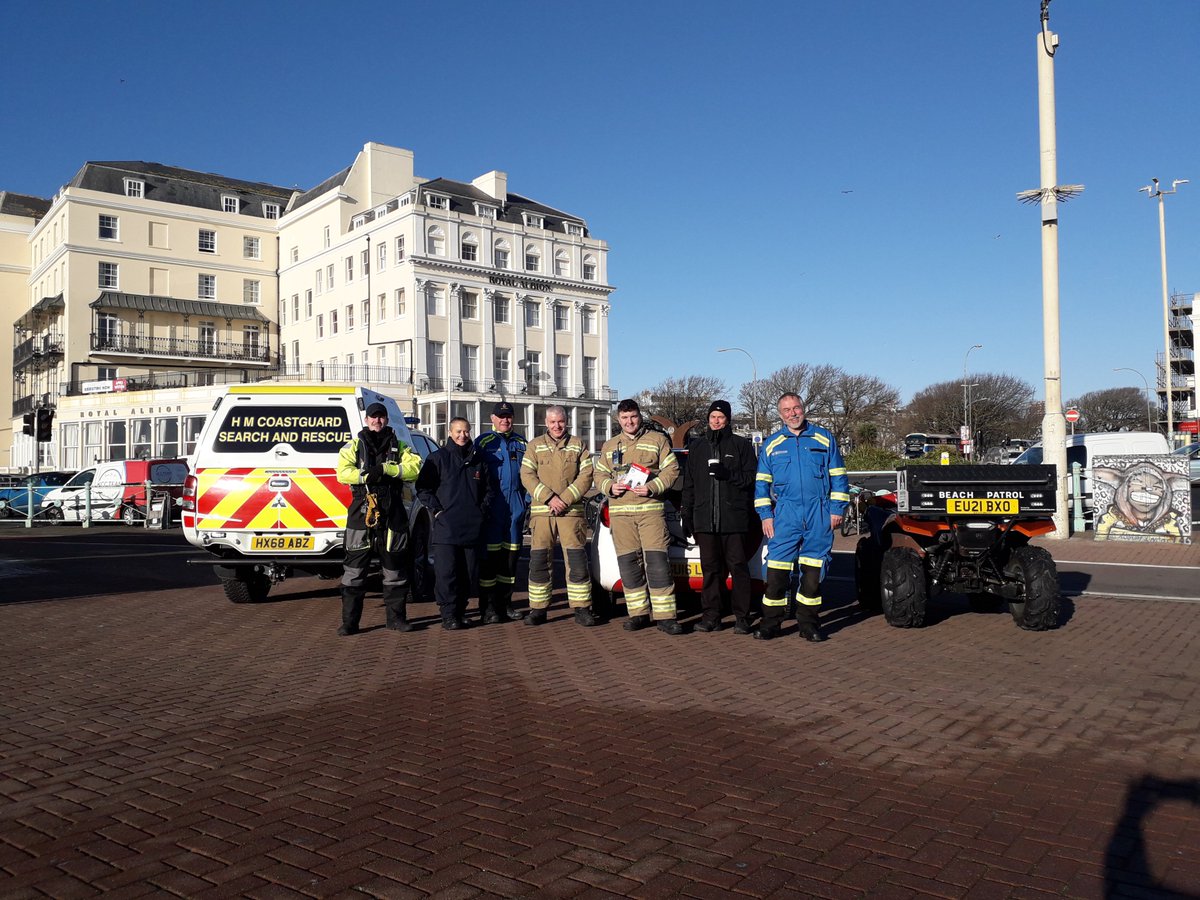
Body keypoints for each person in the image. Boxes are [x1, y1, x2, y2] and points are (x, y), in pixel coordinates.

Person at [754, 392, 849, 642]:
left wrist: (837, 510)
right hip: (785, 514)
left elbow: (839, 476)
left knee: (813, 574)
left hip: (819, 513)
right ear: (780, 414)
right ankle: (771, 623)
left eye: (796, 408)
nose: (792, 413)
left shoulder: (824, 438)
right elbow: (761, 484)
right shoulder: (772, 444)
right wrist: (766, 516)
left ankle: (808, 624)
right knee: (776, 572)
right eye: (786, 410)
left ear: (803, 409)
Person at [593, 398, 684, 635]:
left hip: (649, 512)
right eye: (624, 418)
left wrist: (653, 487)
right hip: (621, 515)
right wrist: (609, 487)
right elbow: (599, 473)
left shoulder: (657, 440)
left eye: (633, 416)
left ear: (639, 416)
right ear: (618, 420)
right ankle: (638, 614)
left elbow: (672, 469)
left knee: (657, 564)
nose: (629, 421)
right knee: (629, 566)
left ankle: (665, 617)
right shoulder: (610, 445)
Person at [335, 402, 424, 636]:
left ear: (386, 419)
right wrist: (366, 475)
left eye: (381, 417)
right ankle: (350, 623)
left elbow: (415, 468)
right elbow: (342, 473)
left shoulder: (400, 445)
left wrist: (386, 470)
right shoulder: (353, 446)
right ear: (366, 420)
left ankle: (396, 619)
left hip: (392, 510)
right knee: (354, 568)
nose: (377, 421)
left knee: (394, 567)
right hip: (361, 511)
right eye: (373, 417)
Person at [680, 399, 759, 634]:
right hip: (705, 519)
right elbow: (690, 484)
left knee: (738, 568)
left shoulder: (740, 446)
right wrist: (687, 512)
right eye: (713, 417)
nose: (716, 421)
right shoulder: (698, 447)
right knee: (711, 569)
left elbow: (751, 479)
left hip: (733, 519)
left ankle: (742, 618)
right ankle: (711, 616)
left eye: (721, 417)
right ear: (708, 419)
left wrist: (728, 474)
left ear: (728, 420)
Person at [520, 405, 597, 627]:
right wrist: (548, 498)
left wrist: (564, 499)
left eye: (561, 421)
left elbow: (586, 476)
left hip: (571, 514)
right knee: (539, 562)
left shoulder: (578, 445)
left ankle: (582, 608)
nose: (557, 426)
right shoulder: (534, 445)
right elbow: (527, 475)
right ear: (546, 422)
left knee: (577, 561)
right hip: (542, 515)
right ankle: (538, 609)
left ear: (566, 421)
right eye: (552, 422)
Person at [416, 417, 490, 630]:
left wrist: (481, 511)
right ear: (450, 433)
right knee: (447, 573)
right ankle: (448, 614)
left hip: (472, 528)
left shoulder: (478, 459)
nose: (462, 436)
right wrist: (438, 511)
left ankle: (460, 611)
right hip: (446, 529)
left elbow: (489, 490)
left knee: (468, 572)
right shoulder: (438, 458)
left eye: (466, 431)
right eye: (458, 431)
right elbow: (423, 489)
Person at [475, 401, 529, 624]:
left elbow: (530, 475)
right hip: (492, 510)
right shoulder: (483, 443)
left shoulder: (522, 443)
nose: (505, 420)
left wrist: (526, 503)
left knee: (510, 562)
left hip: (515, 510)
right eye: (501, 416)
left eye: (508, 416)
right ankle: (488, 609)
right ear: (493, 419)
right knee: (489, 562)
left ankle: (505, 605)